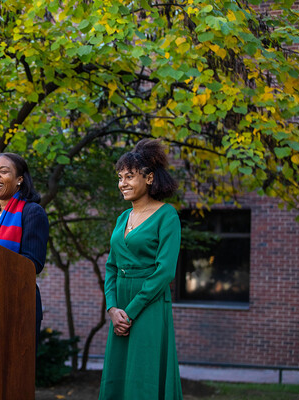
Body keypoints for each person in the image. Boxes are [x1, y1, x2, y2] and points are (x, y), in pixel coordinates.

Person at [99, 139, 183, 400]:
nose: (122, 183)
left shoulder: (167, 215)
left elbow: (165, 271)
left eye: (129, 177)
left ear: (149, 178)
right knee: (119, 372)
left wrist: (130, 311)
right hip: (120, 304)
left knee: (144, 372)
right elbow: (111, 266)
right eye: (120, 177)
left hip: (149, 303)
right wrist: (112, 308)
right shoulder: (123, 218)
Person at [0, 153, 49, 352]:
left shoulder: (32, 212)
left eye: (3, 171)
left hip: (16, 306)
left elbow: (32, 263)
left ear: (20, 180)